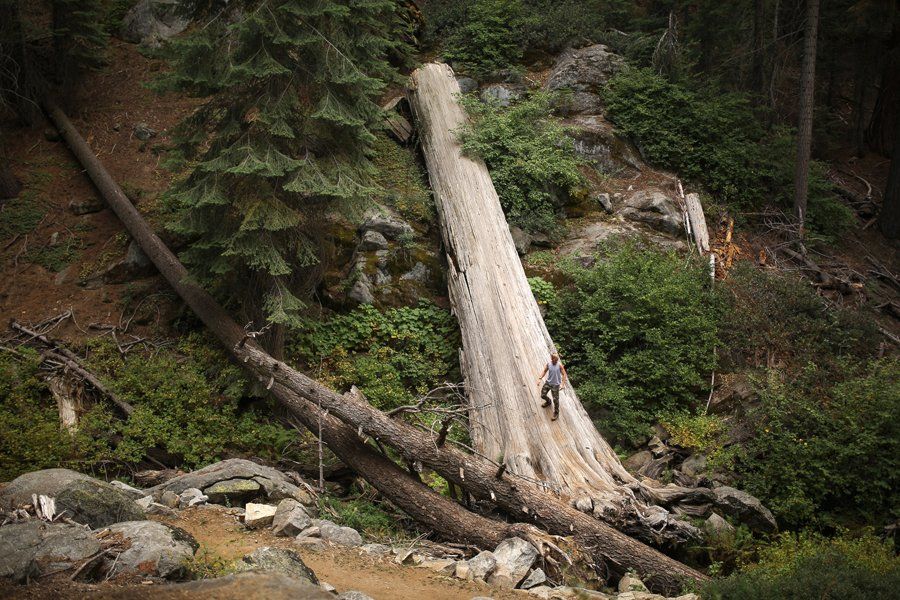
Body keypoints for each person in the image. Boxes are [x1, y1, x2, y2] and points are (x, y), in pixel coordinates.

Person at [536, 352, 567, 421]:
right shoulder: (549, 364)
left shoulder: (559, 365)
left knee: (556, 400)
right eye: (555, 360)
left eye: (557, 360)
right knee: (543, 395)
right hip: (548, 383)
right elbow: (544, 371)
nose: (556, 361)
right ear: (552, 358)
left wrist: (562, 384)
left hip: (556, 385)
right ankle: (548, 401)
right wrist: (540, 378)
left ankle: (556, 413)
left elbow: (564, 374)